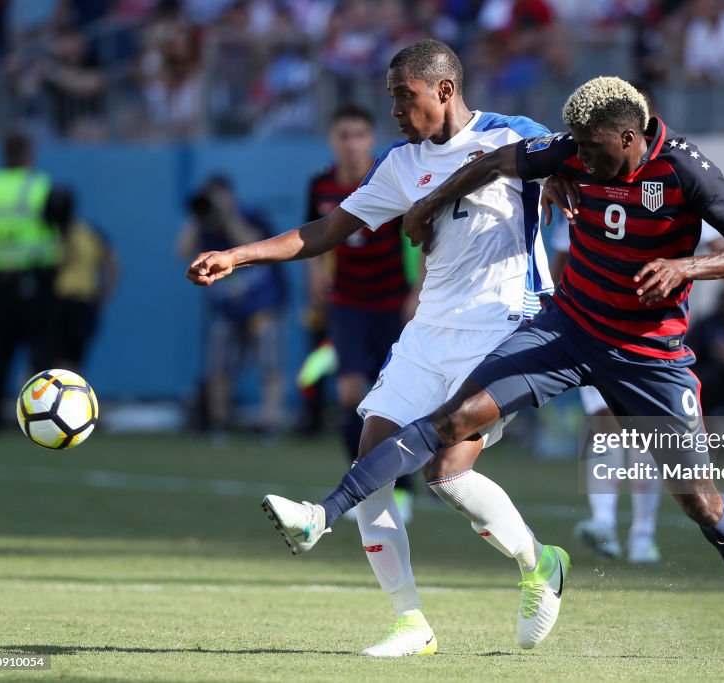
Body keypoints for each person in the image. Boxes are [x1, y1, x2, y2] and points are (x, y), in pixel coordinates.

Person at [247, 76, 724, 663]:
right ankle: (325, 512)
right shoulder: (576, 148)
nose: (582, 160)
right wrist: (428, 203)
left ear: (629, 136)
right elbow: (496, 162)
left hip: (650, 356)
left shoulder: (684, 169)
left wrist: (685, 267)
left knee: (699, 500)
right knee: (453, 422)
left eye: (593, 151)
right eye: (575, 150)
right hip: (567, 331)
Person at [188, 39, 566, 657]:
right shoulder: (399, 164)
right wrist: (239, 253)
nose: (393, 108)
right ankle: (410, 622)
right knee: (371, 457)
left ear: (443, 89)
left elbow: (571, 158)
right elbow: (327, 231)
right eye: (391, 95)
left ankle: (539, 563)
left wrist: (559, 183)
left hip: (503, 327)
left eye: (402, 95)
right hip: (428, 332)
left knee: (447, 473)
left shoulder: (510, 134)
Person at [305, 103, 421, 521]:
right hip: (348, 304)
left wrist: (417, 293)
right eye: (343, 135)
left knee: (392, 402)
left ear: (369, 139)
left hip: (392, 302)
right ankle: (364, 486)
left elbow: (424, 241)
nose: (351, 143)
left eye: (358, 134)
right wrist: (315, 274)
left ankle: (402, 491)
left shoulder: (389, 180)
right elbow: (313, 237)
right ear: (332, 140)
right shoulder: (319, 186)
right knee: (350, 395)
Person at [549, 220, 662, 563]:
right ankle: (604, 523)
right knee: (604, 420)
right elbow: (561, 259)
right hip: (597, 330)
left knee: (646, 432)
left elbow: (716, 243)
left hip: (652, 332)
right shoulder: (586, 196)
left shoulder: (671, 184)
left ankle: (643, 535)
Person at [0, 129, 63, 431]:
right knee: (42, 350)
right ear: (29, 154)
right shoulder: (39, 186)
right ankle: (45, 416)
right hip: (34, 277)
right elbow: (60, 227)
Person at [177, 175, 287, 438]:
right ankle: (219, 423)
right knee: (219, 367)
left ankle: (268, 423)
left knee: (268, 366)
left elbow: (251, 242)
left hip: (263, 306)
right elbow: (181, 252)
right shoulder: (204, 225)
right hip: (227, 309)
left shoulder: (251, 216)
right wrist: (198, 214)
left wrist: (228, 215)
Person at [51, 187, 120, 370]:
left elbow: (113, 264)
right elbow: (113, 264)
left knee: (60, 360)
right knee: (69, 361)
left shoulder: (51, 234)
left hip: (68, 303)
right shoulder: (88, 233)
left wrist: (104, 297)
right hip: (76, 303)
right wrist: (105, 296)